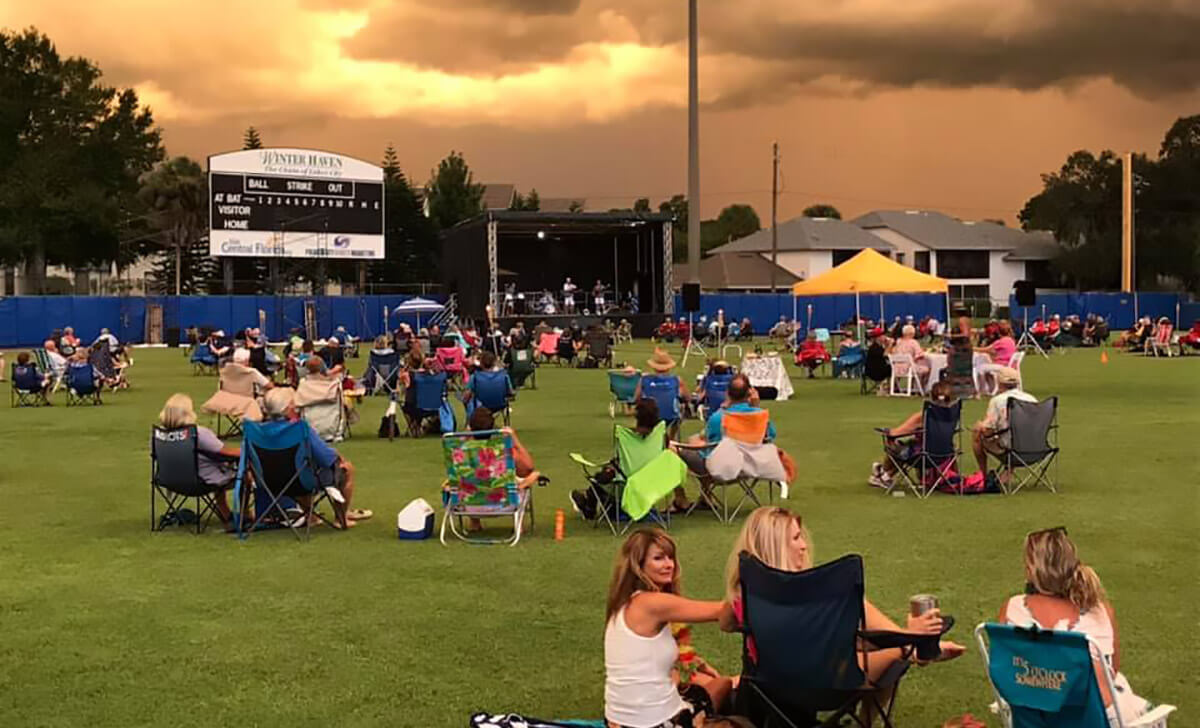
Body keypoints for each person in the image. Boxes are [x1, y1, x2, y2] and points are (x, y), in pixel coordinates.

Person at [720, 507, 965, 725]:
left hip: (770, 684)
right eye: (796, 538)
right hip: (828, 684)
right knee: (889, 649)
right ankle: (913, 645)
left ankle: (913, 642)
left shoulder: (746, 596)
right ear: (774, 546)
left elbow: (726, 623)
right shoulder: (821, 596)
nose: (804, 545)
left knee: (861, 639)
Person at [999, 527, 1152, 726]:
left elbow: (1006, 668)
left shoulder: (1012, 609)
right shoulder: (1100, 612)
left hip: (1033, 716)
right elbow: (1111, 670)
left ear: (1030, 571)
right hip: (1094, 719)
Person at [604, 528, 734, 728]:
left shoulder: (622, 604)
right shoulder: (652, 603)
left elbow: (646, 660)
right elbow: (723, 611)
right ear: (639, 565)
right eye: (659, 558)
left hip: (617, 721)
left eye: (670, 557)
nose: (669, 565)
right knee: (724, 684)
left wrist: (695, 662)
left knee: (703, 681)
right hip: (654, 723)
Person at [259, 387, 369, 528]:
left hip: (267, 481)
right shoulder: (300, 429)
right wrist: (337, 456)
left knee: (299, 471)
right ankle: (341, 518)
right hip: (301, 480)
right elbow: (326, 458)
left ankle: (310, 517)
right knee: (346, 468)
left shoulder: (258, 431)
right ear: (288, 408)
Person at [675, 374, 776, 483]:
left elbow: (708, 440)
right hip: (748, 468)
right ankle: (704, 498)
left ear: (727, 393)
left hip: (719, 470)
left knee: (675, 448)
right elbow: (770, 435)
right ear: (749, 394)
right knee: (700, 442)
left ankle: (682, 497)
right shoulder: (760, 416)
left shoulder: (719, 417)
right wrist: (755, 408)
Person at [157, 393, 241, 524]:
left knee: (216, 469)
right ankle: (241, 515)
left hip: (169, 480)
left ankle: (226, 513)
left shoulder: (159, 435)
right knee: (244, 473)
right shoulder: (198, 433)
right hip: (201, 481)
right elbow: (226, 452)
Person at [453, 406, 538, 532]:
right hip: (505, 505)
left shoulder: (459, 453)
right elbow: (529, 467)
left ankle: (474, 523)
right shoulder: (503, 450)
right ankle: (518, 524)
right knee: (532, 476)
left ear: (469, 427)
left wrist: (466, 436)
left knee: (470, 479)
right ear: (493, 429)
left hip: (468, 506)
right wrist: (514, 439)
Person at [869, 381, 956, 489]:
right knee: (909, 446)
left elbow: (897, 433)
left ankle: (882, 473)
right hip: (945, 454)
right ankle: (884, 473)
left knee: (896, 445)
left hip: (923, 455)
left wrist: (887, 432)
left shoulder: (924, 415)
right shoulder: (953, 414)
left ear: (931, 396)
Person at [971, 367, 1036, 485]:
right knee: (1013, 435)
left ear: (999, 383)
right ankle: (1007, 472)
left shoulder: (997, 401)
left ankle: (983, 475)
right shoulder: (1031, 399)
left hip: (1010, 449)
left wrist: (980, 427)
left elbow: (988, 431)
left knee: (978, 433)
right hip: (1035, 448)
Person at [634, 348, 689, 438]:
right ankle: (671, 438)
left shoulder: (644, 380)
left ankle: (648, 438)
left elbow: (636, 398)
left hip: (648, 416)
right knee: (679, 414)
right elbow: (687, 397)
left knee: (642, 410)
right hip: (670, 416)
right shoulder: (676, 380)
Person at [974, 320, 1017, 393]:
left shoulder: (1001, 341)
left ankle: (981, 389)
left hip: (1002, 365)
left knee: (979, 368)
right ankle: (991, 388)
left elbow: (985, 349)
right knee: (986, 366)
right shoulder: (1011, 340)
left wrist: (971, 348)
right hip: (1008, 364)